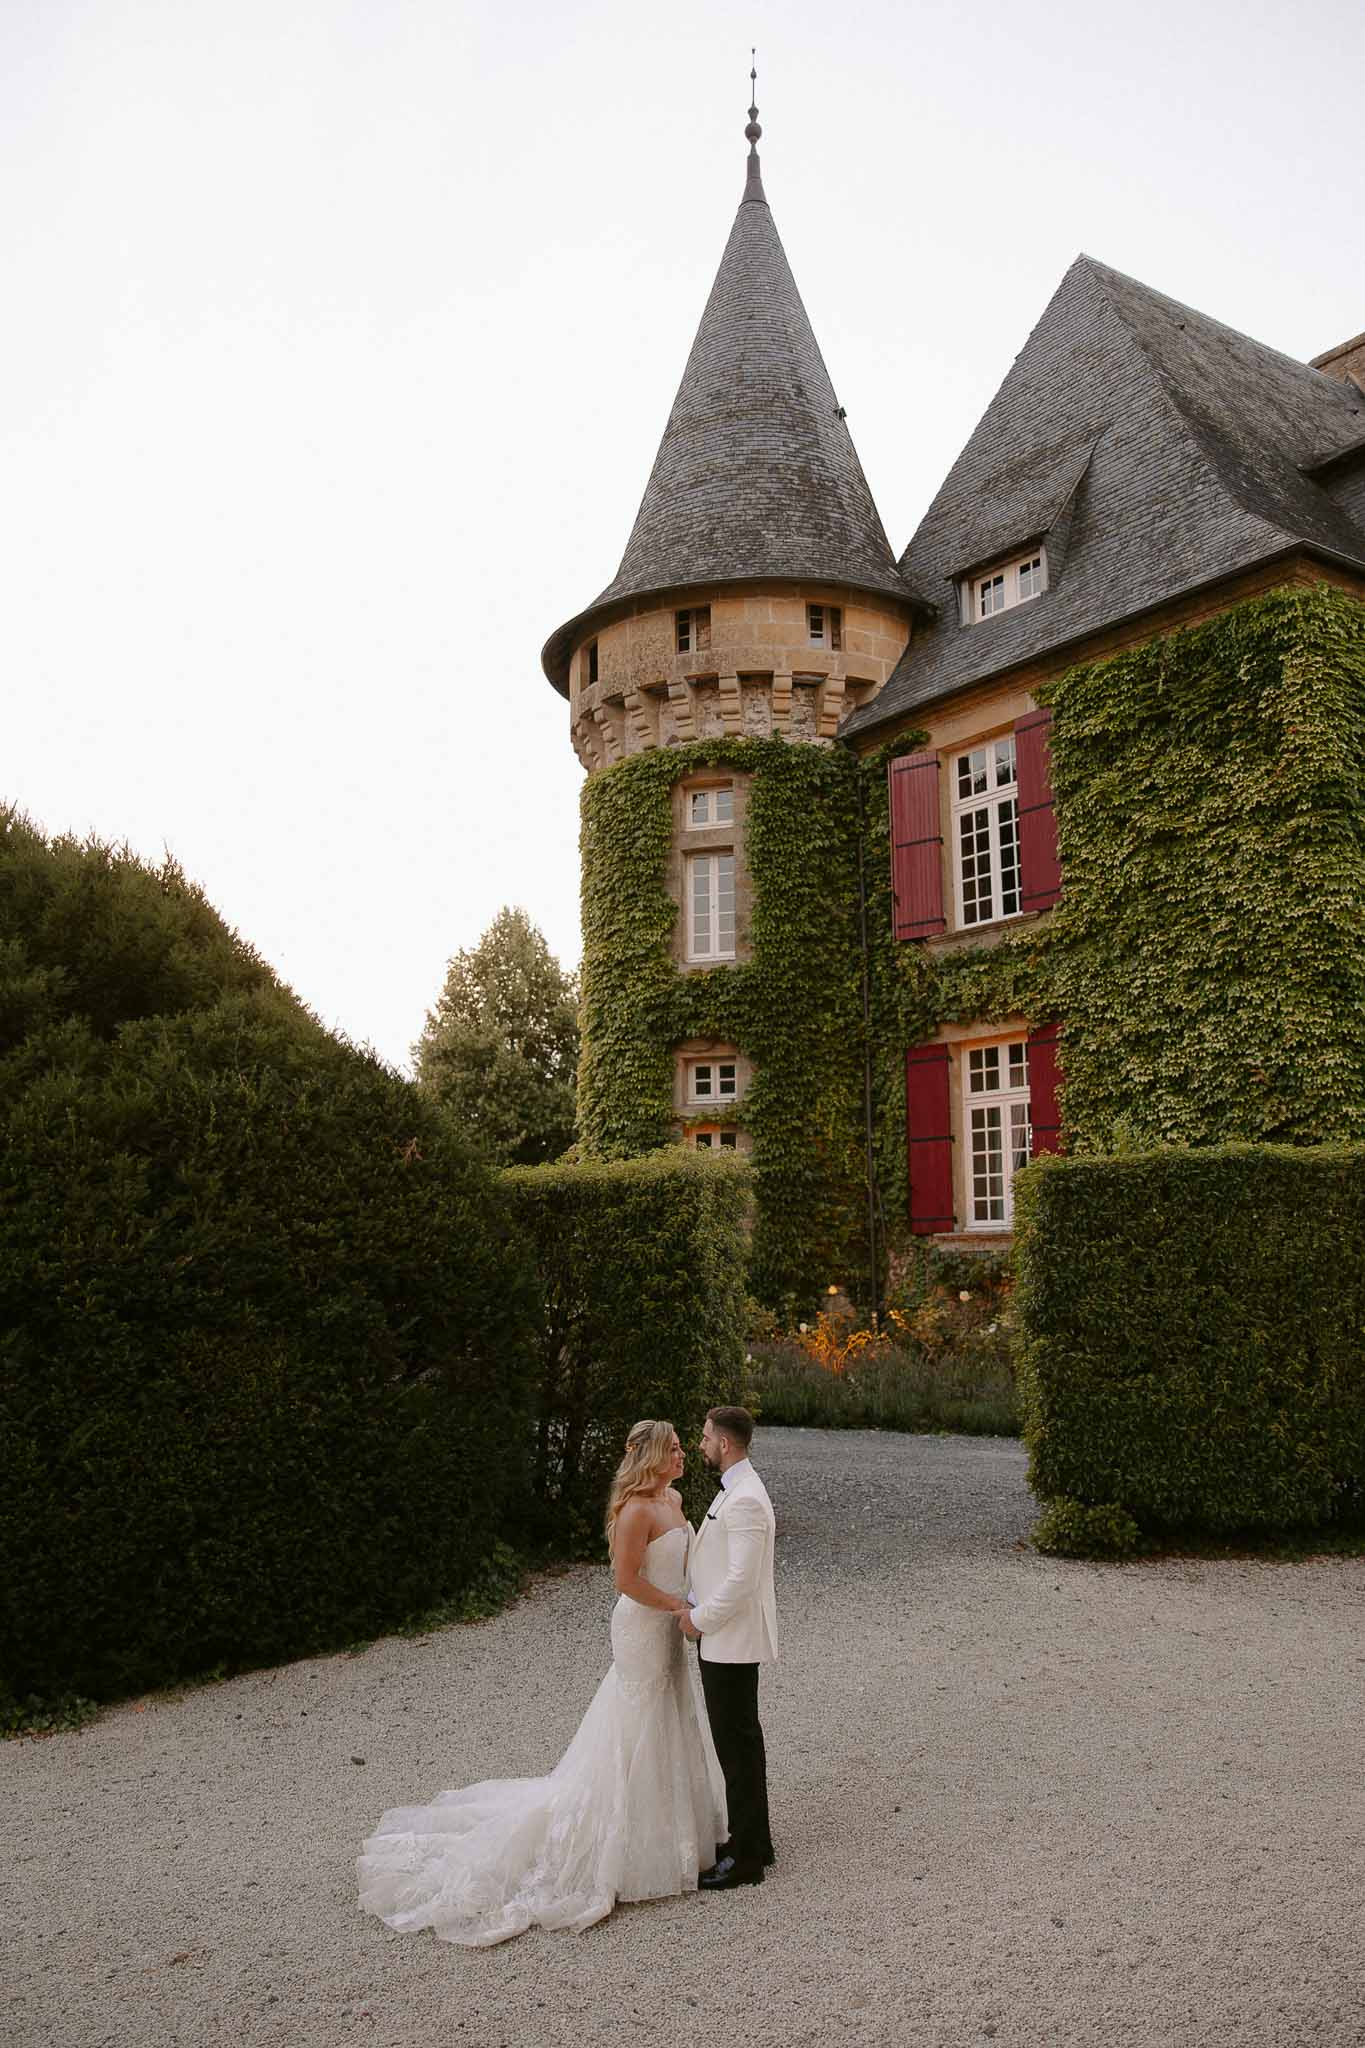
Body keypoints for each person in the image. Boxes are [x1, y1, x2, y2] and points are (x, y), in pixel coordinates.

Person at [356, 1420, 726, 1946]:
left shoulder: (673, 1498)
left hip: (668, 1626)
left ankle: (673, 1836)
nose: (683, 1454)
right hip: (642, 1626)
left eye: (683, 1448)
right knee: (639, 1721)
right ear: (649, 1456)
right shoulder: (637, 1509)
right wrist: (674, 1605)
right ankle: (625, 1846)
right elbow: (624, 1579)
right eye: (674, 1448)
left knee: (670, 1711)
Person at [678, 1406, 777, 1890]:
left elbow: (741, 1581)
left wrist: (697, 1619)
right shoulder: (737, 1492)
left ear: (726, 1443)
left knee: (736, 1749)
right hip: (724, 1639)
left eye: (705, 1437)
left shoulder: (746, 1500)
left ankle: (746, 1860)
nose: (701, 1445)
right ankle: (755, 1841)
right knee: (742, 1744)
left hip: (730, 1642)